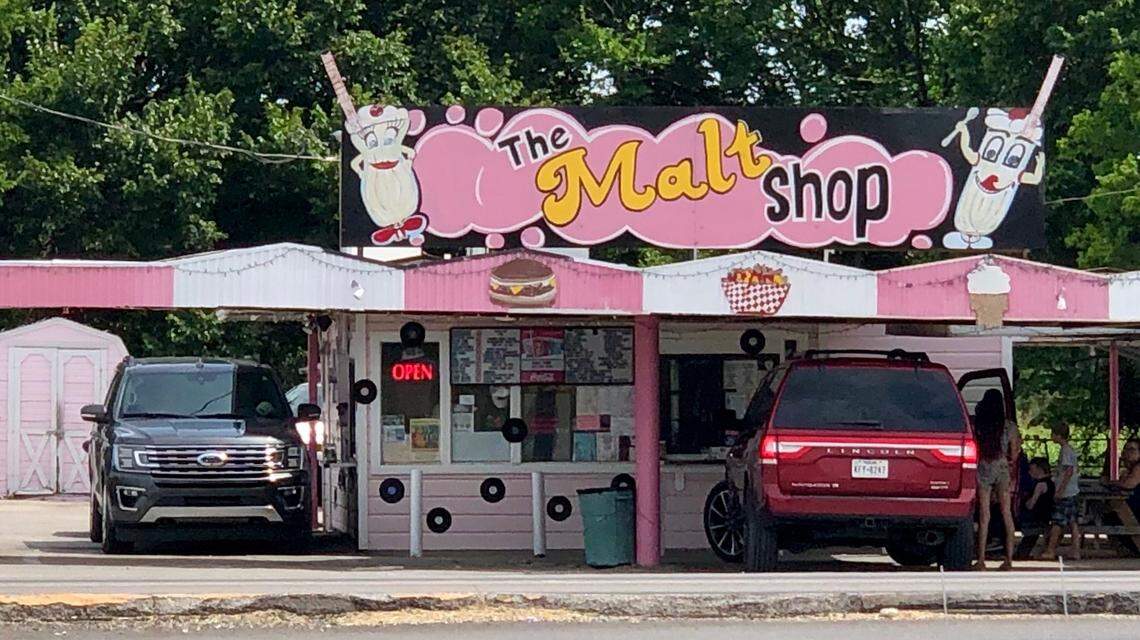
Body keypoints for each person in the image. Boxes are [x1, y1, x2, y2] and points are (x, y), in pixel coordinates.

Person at [974, 390, 1018, 570]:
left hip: (984, 466)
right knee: (1006, 513)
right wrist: (1009, 464)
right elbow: (1014, 453)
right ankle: (1009, 560)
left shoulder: (980, 425)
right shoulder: (1009, 426)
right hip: (1002, 467)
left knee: (985, 516)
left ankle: (981, 560)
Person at [1038, 423, 1081, 560]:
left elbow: (1068, 472)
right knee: (1072, 522)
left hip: (1066, 492)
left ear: (1058, 435)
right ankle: (1076, 549)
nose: (1051, 437)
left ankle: (1050, 549)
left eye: (1053, 434)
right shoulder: (1069, 450)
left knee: (1057, 521)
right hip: (1073, 491)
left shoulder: (1065, 451)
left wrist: (1060, 490)